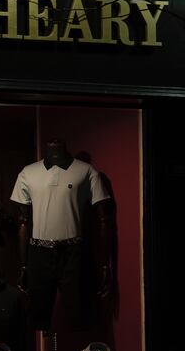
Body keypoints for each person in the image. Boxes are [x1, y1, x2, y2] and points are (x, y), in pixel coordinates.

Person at [11, 139, 113, 331]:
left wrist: (105, 265)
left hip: (73, 252)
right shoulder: (28, 172)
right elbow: (22, 221)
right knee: (38, 319)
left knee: (80, 317)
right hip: (39, 251)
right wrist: (24, 264)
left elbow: (104, 220)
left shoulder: (86, 170)